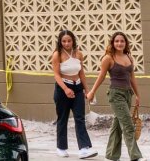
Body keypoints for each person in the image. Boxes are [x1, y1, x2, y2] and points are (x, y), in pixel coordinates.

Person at [86, 31, 142, 161]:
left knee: (117, 126)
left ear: (126, 43)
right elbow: (101, 76)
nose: (119, 43)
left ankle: (111, 156)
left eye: (122, 41)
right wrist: (92, 91)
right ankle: (135, 156)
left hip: (128, 94)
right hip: (115, 94)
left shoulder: (129, 58)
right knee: (128, 125)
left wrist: (137, 95)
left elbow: (132, 78)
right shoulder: (108, 58)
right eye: (117, 41)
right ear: (113, 43)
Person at [50, 30, 96, 158]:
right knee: (62, 118)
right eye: (64, 41)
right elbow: (56, 75)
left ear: (73, 41)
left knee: (80, 118)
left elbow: (82, 73)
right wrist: (65, 89)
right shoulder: (57, 55)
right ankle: (61, 147)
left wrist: (87, 90)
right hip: (63, 88)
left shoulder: (79, 54)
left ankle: (84, 148)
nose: (66, 43)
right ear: (60, 42)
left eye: (69, 41)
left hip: (78, 88)